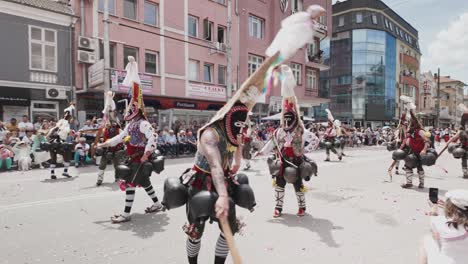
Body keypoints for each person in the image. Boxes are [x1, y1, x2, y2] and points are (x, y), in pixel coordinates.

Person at [98, 56, 163, 223]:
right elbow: (120, 137)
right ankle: (157, 204)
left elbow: (153, 138)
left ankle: (126, 215)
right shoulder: (131, 124)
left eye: (131, 108)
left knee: (130, 185)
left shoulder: (143, 124)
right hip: (132, 157)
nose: (128, 111)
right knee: (145, 183)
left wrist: (146, 154)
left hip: (138, 159)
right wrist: (106, 143)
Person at [257, 65, 317, 218]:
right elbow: (271, 144)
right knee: (279, 185)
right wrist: (262, 152)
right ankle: (278, 208)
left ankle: (302, 207)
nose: (287, 120)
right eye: (286, 118)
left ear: (295, 117)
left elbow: (315, 141)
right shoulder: (279, 131)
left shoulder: (301, 131)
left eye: (290, 118)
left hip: (297, 161)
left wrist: (304, 151)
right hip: (282, 161)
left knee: (298, 185)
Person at [420, 189, 468, 264]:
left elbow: (434, 233)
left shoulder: (439, 222)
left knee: (427, 239)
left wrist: (434, 209)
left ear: (451, 208)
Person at [399, 96, 430, 189]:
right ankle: (409, 183)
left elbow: (427, 141)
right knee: (408, 166)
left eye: (410, 124)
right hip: (411, 152)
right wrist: (402, 146)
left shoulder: (420, 131)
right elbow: (406, 139)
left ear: (414, 125)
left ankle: (421, 183)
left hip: (419, 152)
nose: (409, 125)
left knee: (419, 168)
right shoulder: (409, 132)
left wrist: (424, 150)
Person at [96, 91, 125, 186]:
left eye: (113, 120)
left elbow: (123, 137)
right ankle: (99, 179)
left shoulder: (118, 128)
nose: (111, 122)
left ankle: (118, 177)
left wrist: (125, 141)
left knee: (117, 165)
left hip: (116, 149)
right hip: (107, 149)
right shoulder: (105, 128)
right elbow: (100, 136)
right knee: (102, 165)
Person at [46, 104, 76, 179]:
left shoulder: (57, 125)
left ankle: (52, 174)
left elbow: (48, 135)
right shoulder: (66, 126)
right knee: (67, 156)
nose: (72, 120)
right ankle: (65, 172)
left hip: (52, 143)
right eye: (71, 119)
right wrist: (75, 133)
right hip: (61, 143)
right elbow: (72, 135)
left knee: (53, 158)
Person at [441, 104, 468, 179]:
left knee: (464, 158)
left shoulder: (462, 131)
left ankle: (465, 173)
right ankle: (465, 173)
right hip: (464, 147)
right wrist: (448, 143)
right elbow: (454, 138)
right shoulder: (461, 131)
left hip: (465, 147)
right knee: (464, 158)